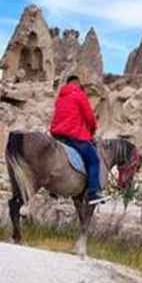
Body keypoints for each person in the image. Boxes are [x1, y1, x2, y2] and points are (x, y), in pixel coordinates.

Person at [50, 75, 107, 204]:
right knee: (94, 160)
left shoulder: (60, 97)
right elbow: (90, 118)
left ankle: (53, 189)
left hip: (57, 135)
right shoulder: (79, 94)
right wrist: (91, 132)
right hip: (74, 135)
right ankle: (93, 192)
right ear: (77, 83)